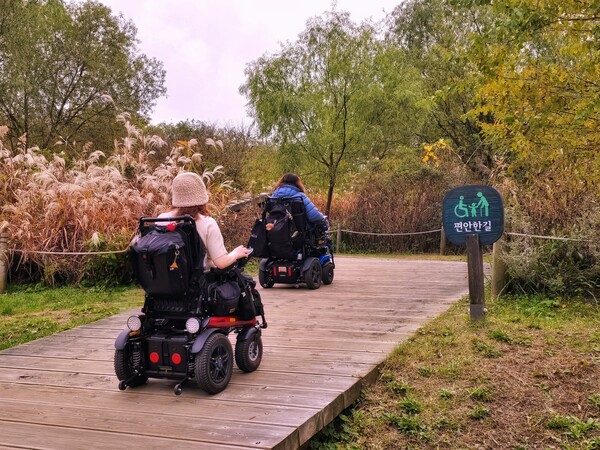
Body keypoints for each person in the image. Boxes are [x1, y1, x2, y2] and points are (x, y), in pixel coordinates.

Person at [158, 172, 251, 270]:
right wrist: (236, 253)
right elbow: (221, 262)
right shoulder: (207, 223)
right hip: (195, 278)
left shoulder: (161, 219)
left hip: (165, 277)